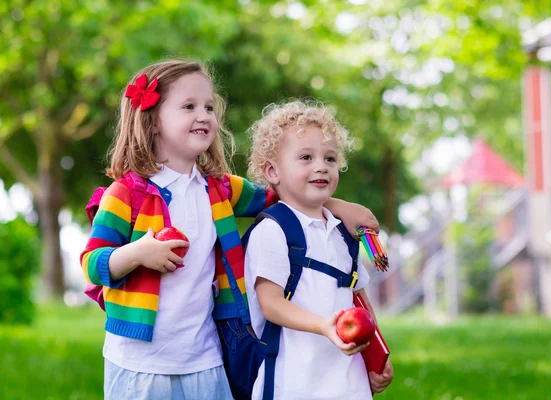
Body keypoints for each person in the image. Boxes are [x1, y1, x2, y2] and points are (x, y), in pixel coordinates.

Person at [80, 60, 380, 400]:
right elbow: (92, 264)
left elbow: (283, 193)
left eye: (209, 106)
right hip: (138, 363)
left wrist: (336, 206)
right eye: (189, 106)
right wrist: (137, 253)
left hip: (205, 359)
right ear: (153, 122)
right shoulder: (126, 194)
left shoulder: (219, 189)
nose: (204, 115)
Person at [245, 100, 394, 400]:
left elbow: (358, 298)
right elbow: (270, 304)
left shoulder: (342, 232)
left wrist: (377, 353)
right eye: (305, 157)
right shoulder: (273, 230)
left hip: (349, 385)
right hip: (293, 384)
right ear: (272, 171)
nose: (321, 167)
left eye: (330, 158)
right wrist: (324, 326)